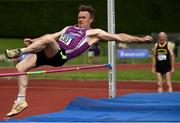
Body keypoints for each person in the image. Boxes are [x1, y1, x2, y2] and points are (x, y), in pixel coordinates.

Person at [4, 4, 152, 117]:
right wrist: (33, 40)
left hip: (60, 56)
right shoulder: (68, 28)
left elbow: (119, 37)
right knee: (20, 67)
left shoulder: (93, 33)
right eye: (79, 17)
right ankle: (21, 100)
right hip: (49, 51)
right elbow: (53, 36)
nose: (81, 20)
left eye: (84, 17)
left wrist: (139, 39)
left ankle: (19, 52)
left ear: (91, 19)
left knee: (47, 39)